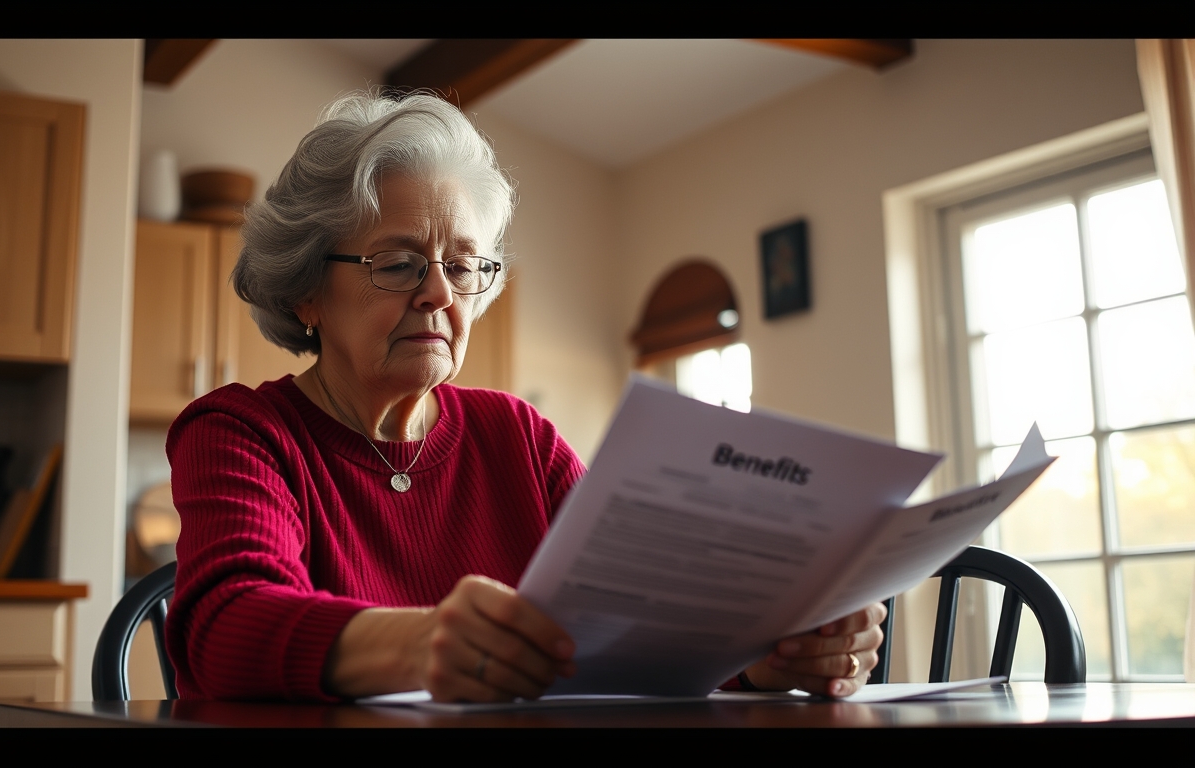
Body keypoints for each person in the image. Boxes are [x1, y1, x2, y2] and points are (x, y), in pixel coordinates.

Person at [164, 90, 885, 703]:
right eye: (398, 263)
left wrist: (761, 657)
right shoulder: (241, 432)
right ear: (304, 292)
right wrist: (419, 647)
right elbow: (225, 625)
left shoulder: (517, 436)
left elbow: (639, 619)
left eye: (463, 265)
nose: (441, 293)